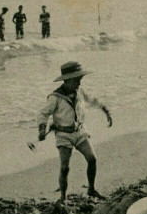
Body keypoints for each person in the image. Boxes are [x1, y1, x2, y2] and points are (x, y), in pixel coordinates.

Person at [37, 61, 112, 203]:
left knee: (92, 159)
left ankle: (91, 189)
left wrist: (105, 110)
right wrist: (42, 129)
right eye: (76, 80)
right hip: (63, 135)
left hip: (79, 131)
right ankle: (63, 197)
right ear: (66, 80)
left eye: (80, 80)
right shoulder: (55, 97)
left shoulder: (79, 91)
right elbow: (43, 113)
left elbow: (92, 100)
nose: (78, 83)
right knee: (65, 168)